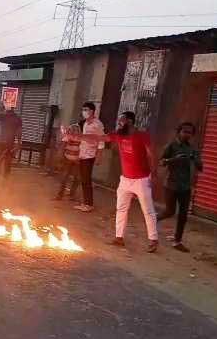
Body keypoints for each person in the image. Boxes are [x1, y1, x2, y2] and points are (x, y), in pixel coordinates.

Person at [77, 111, 159, 253]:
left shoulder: (142, 136)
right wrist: (77, 136)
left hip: (141, 180)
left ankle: (153, 239)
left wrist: (154, 174)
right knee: (121, 209)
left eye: (122, 121)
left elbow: (152, 155)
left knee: (148, 211)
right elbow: (98, 138)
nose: (119, 123)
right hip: (125, 180)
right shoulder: (119, 135)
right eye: (119, 121)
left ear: (130, 121)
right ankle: (119, 237)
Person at [157, 122, 203, 253]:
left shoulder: (192, 149)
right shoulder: (171, 146)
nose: (187, 134)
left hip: (185, 186)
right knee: (169, 211)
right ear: (179, 132)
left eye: (190, 132)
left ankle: (177, 241)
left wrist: (195, 160)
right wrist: (174, 159)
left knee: (183, 215)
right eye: (185, 131)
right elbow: (161, 162)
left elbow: (201, 167)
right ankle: (152, 221)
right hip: (171, 184)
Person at [76, 102, 105, 213]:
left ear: (92, 111)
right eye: (83, 109)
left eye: (86, 109)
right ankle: (86, 202)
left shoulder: (97, 124)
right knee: (83, 179)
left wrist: (99, 156)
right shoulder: (86, 124)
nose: (84, 112)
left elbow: (101, 140)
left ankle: (88, 204)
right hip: (83, 153)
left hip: (90, 155)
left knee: (86, 179)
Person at [0, 104, 22, 185]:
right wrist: (18, 143)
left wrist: (1, 106)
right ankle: (4, 180)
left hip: (3, 143)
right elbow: (19, 132)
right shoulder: (16, 118)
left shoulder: (4, 116)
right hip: (9, 143)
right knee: (6, 163)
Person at [54, 123, 82, 201]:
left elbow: (83, 150)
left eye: (76, 130)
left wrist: (79, 159)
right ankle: (60, 195)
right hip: (67, 159)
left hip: (77, 161)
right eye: (72, 130)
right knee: (64, 177)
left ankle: (71, 194)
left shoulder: (81, 139)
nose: (74, 131)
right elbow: (62, 148)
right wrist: (60, 159)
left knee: (77, 178)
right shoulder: (67, 138)